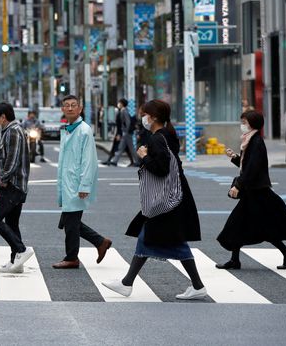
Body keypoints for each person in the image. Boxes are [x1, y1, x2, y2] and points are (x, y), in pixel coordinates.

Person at [102, 99, 208, 301]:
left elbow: (161, 168)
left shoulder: (158, 138)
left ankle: (128, 283)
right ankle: (128, 282)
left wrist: (143, 156)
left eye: (144, 114)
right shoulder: (168, 134)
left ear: (154, 117)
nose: (142, 118)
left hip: (167, 198)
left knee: (158, 237)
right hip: (175, 195)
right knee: (152, 236)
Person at [216, 109, 286, 270]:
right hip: (254, 192)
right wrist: (235, 158)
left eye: (244, 123)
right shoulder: (249, 140)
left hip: (258, 192)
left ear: (253, 124)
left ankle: (284, 253)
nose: (242, 125)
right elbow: (247, 165)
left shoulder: (256, 142)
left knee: (238, 224)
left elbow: (253, 169)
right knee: (253, 226)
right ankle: (285, 253)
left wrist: (238, 185)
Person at [54, 95, 112, 269]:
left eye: (73, 105)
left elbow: (89, 161)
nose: (70, 108)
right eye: (66, 106)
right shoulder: (68, 129)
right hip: (68, 182)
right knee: (68, 220)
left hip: (76, 183)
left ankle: (72, 258)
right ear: (63, 109)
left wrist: (84, 185)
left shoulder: (84, 130)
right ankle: (100, 242)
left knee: (70, 223)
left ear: (80, 109)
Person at [0, 102, 34, 273]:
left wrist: (3, 178)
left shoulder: (13, 131)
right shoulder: (11, 130)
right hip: (17, 184)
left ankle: (21, 250)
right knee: (12, 223)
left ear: (3, 117)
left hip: (13, 185)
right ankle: (16, 263)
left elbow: (12, 160)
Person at [104, 99, 138, 167]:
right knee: (121, 148)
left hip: (126, 133)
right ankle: (115, 161)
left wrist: (126, 131)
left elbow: (128, 122)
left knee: (131, 148)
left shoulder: (124, 111)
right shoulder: (122, 110)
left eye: (119, 102)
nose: (118, 104)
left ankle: (137, 161)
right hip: (125, 133)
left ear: (122, 103)